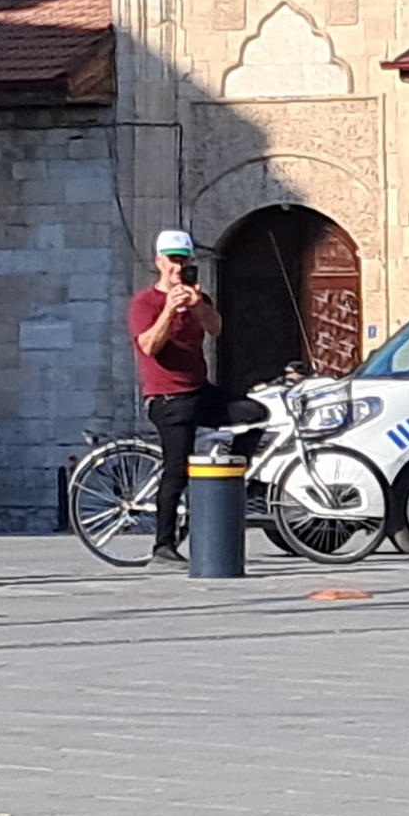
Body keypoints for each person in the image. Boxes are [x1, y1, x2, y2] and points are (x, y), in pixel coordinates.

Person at [129, 229, 266, 565]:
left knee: (255, 415)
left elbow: (216, 327)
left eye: (183, 260)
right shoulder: (144, 303)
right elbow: (148, 346)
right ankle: (163, 543)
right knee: (176, 468)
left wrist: (197, 306)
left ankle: (233, 478)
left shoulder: (196, 299)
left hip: (199, 390)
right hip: (167, 397)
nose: (178, 268)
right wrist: (168, 311)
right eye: (172, 260)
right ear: (158, 262)